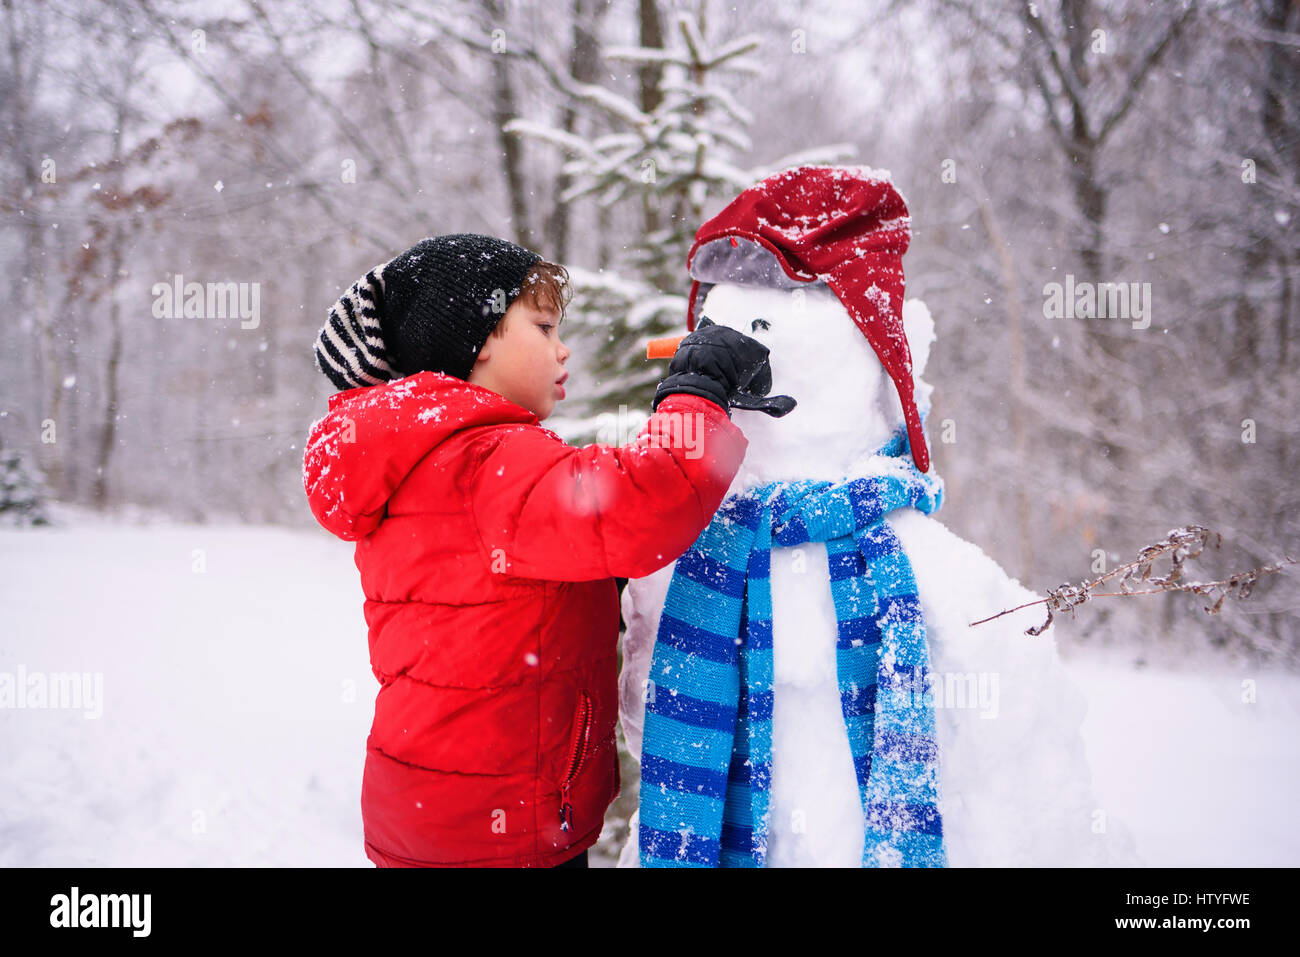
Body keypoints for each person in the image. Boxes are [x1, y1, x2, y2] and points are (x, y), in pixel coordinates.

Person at [303, 233, 794, 867]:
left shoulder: (427, 460)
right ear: (472, 344)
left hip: (442, 813)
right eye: (542, 327)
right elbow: (645, 502)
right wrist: (698, 393)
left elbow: (506, 591)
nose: (563, 349)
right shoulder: (486, 460)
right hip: (500, 836)